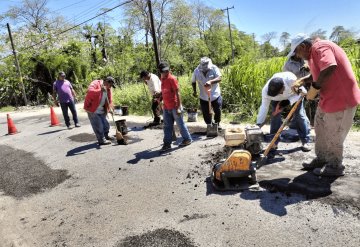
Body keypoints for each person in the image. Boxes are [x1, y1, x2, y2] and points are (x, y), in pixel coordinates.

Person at [290, 33, 360, 176]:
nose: (298, 56)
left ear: (303, 46)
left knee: (334, 134)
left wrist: (314, 88)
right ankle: (321, 158)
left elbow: (329, 66)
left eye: (297, 52)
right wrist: (303, 80)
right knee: (320, 127)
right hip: (328, 99)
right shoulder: (313, 54)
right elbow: (318, 72)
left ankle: (335, 166)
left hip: (341, 99)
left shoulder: (320, 47)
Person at [256, 71, 311, 152]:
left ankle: (305, 141)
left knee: (300, 115)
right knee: (275, 118)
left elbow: (303, 92)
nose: (281, 93)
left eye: (281, 91)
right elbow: (264, 107)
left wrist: (288, 101)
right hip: (277, 101)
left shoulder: (291, 80)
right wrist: (258, 125)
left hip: (294, 96)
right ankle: (274, 143)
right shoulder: (266, 92)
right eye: (278, 93)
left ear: (283, 86)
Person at [158, 62, 192, 152]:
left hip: (174, 106)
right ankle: (167, 144)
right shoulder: (162, 79)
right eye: (163, 71)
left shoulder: (172, 79)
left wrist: (178, 106)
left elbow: (178, 93)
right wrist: (160, 98)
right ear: (160, 72)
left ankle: (187, 139)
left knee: (180, 124)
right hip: (166, 106)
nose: (165, 72)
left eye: (166, 70)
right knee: (167, 126)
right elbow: (164, 91)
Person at [84, 76, 116, 145]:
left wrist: (110, 108)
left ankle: (106, 136)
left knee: (106, 125)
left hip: (101, 109)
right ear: (106, 82)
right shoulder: (95, 83)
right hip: (92, 109)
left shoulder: (108, 89)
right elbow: (89, 91)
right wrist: (100, 90)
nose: (110, 87)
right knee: (98, 126)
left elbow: (109, 100)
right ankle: (101, 140)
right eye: (110, 85)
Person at [191, 57, 222, 129]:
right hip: (203, 96)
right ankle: (209, 125)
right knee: (205, 113)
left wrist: (211, 81)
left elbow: (219, 78)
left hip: (215, 95)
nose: (205, 70)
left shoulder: (214, 68)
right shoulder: (196, 71)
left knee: (217, 110)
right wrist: (194, 91)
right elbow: (193, 81)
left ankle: (217, 123)